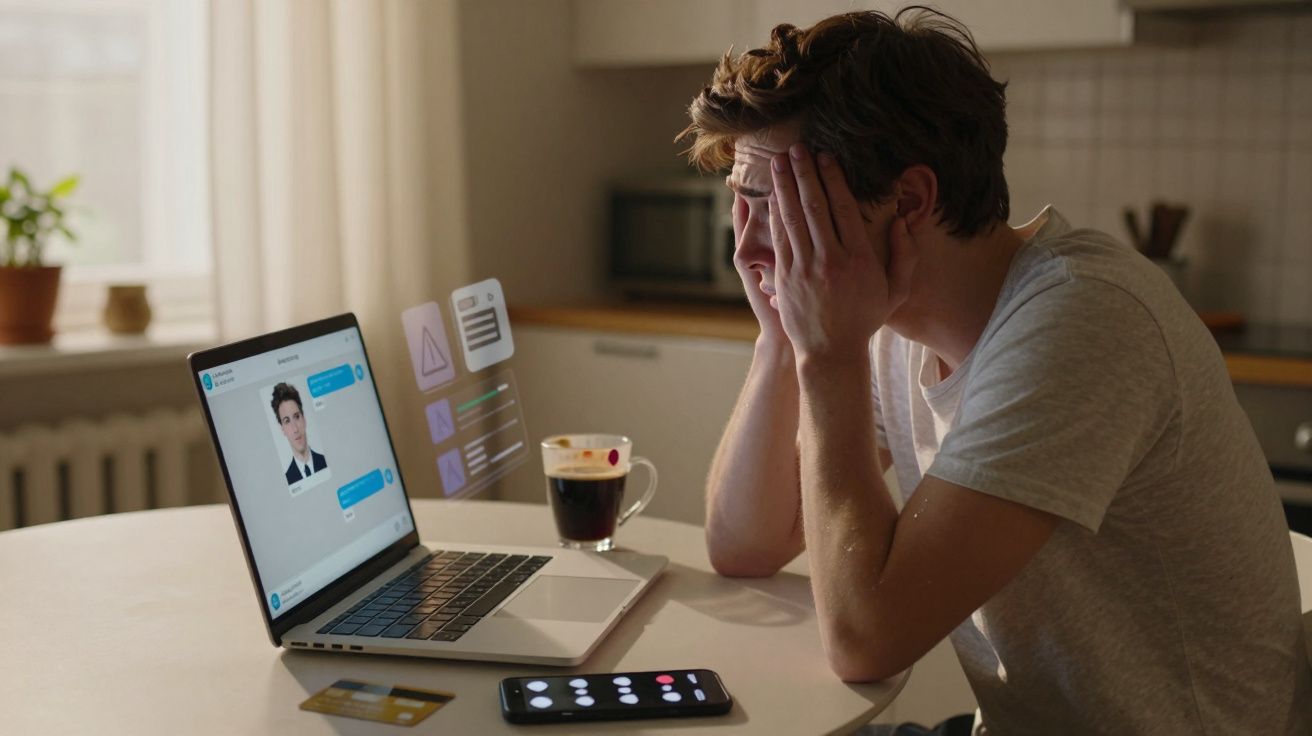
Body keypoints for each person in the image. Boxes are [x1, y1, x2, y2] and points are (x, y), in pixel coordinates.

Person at [678, 8, 1311, 735]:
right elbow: (746, 544)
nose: (749, 248)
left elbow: (865, 638)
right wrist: (782, 339)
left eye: (781, 211)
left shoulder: (1082, 320)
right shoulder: (891, 326)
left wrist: (828, 357)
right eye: (742, 209)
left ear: (910, 201)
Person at [271, 382, 327, 485]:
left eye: (296, 417)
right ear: (282, 429)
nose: (295, 429)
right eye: (287, 421)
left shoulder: (325, 461)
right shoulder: (287, 480)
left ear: (304, 419)